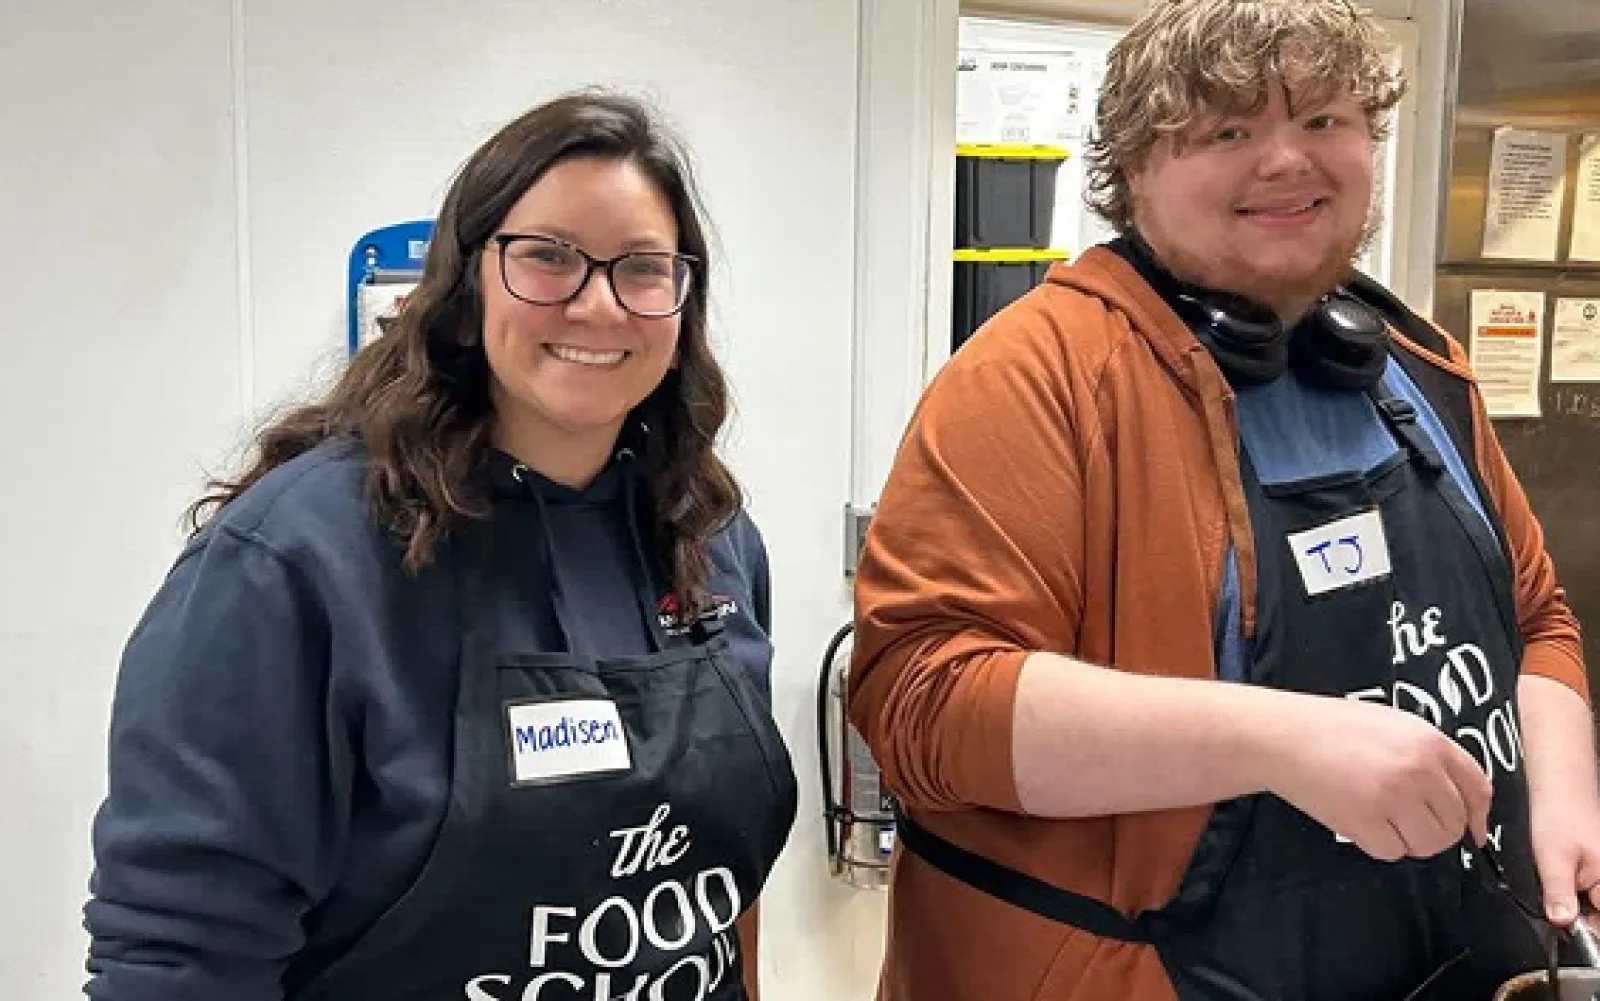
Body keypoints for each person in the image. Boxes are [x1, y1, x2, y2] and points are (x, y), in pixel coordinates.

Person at [849, 2, 1600, 999]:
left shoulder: (1415, 363)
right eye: (1227, 130)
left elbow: (1537, 619)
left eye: (1326, 120)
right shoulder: (1035, 378)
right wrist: (1281, 736)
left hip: (1455, 960)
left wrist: (1561, 793)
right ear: (1134, 170)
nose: (1288, 160)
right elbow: (925, 701)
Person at [84, 90, 797, 1001]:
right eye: (548, 257)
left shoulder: (712, 537)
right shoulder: (293, 561)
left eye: (643, 269)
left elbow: (723, 897)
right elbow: (180, 956)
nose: (598, 303)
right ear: (463, 292)